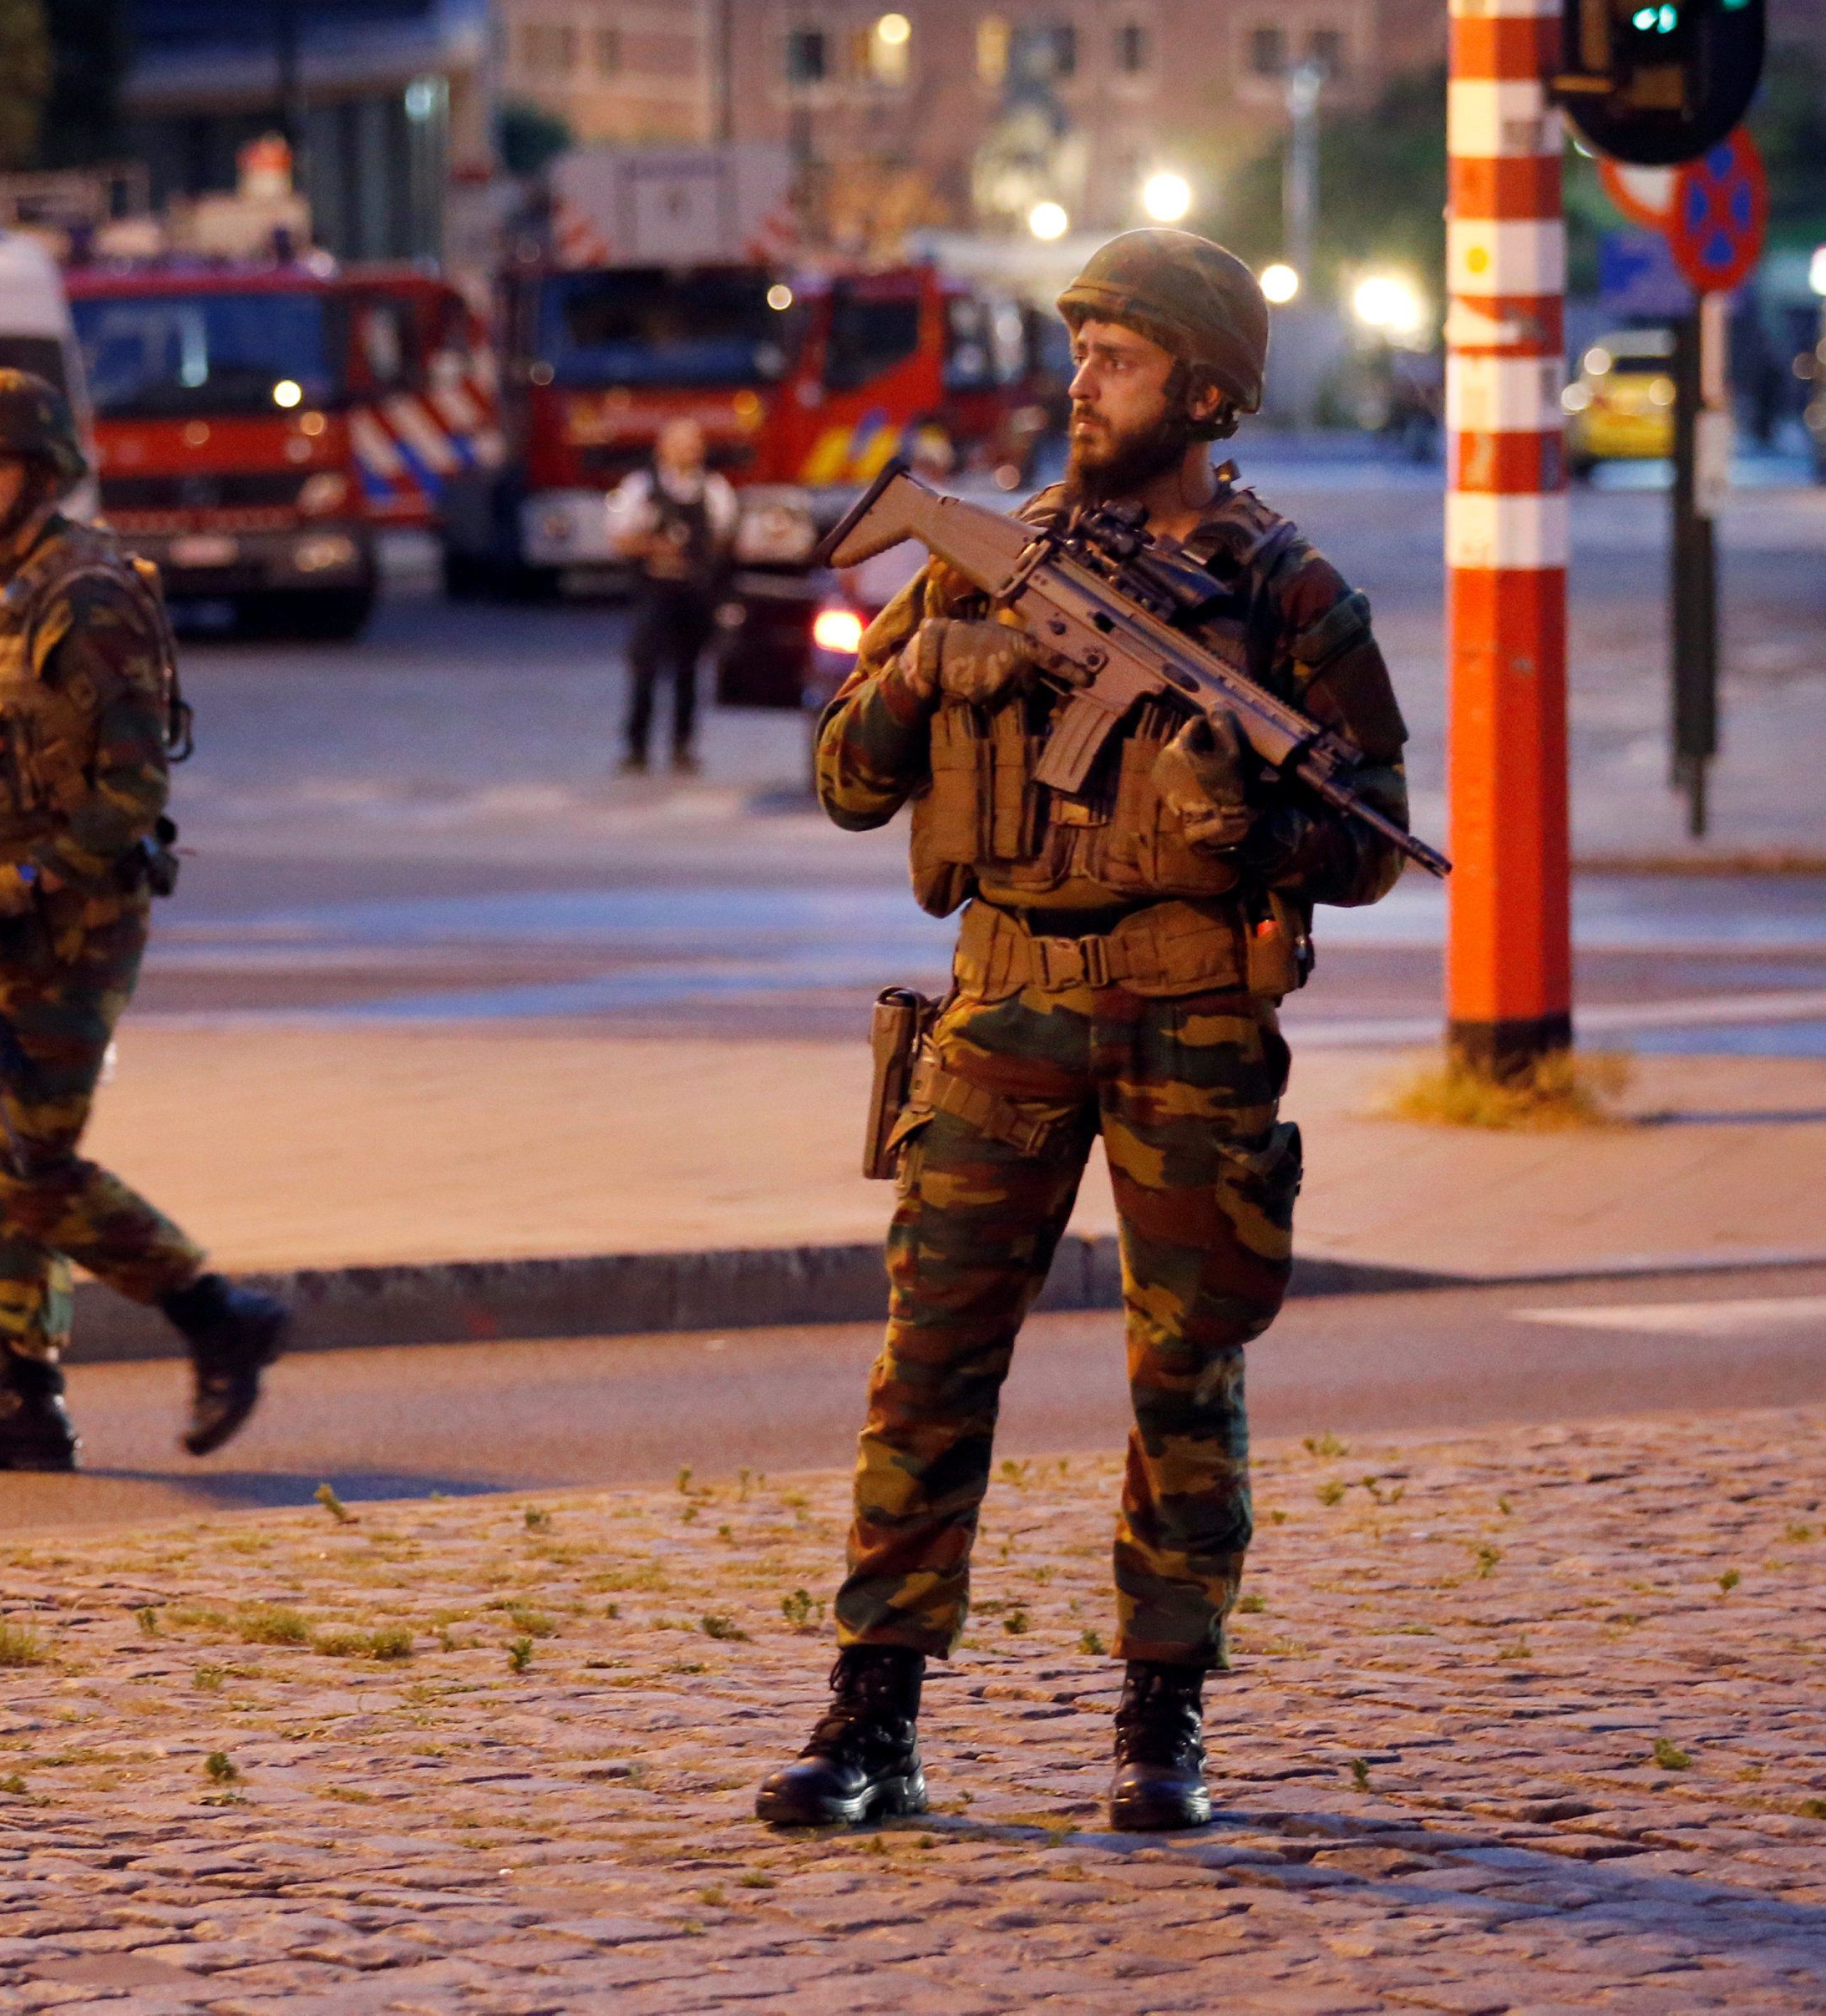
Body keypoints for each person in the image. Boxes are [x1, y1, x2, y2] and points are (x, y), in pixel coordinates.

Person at [758, 230, 1415, 1834]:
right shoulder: (990, 553)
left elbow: (1378, 835)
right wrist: (924, 669)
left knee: (1185, 1368)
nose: (1081, 383)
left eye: (1117, 360)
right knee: (930, 1357)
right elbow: (845, 783)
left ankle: (1161, 1711)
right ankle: (873, 1711)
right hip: (1003, 1008)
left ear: (1204, 392)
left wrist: (1253, 825)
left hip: (1193, 1013)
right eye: (1080, 353)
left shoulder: (1287, 590)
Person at [0, 369, 288, 1472]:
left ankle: (216, 1311)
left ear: (44, 471)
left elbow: (133, 791)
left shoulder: (89, 593)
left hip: (75, 922)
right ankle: (25, 1395)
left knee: (27, 1159)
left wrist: (27, 880)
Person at [607, 416, 738, 774]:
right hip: (654, 590)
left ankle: (683, 745)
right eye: (680, 444)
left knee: (688, 670)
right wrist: (655, 548)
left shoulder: (713, 489)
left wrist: (698, 555)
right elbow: (619, 536)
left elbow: (725, 534)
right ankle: (636, 747)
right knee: (644, 668)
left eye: (694, 444)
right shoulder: (639, 488)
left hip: (694, 591)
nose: (688, 451)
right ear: (662, 448)